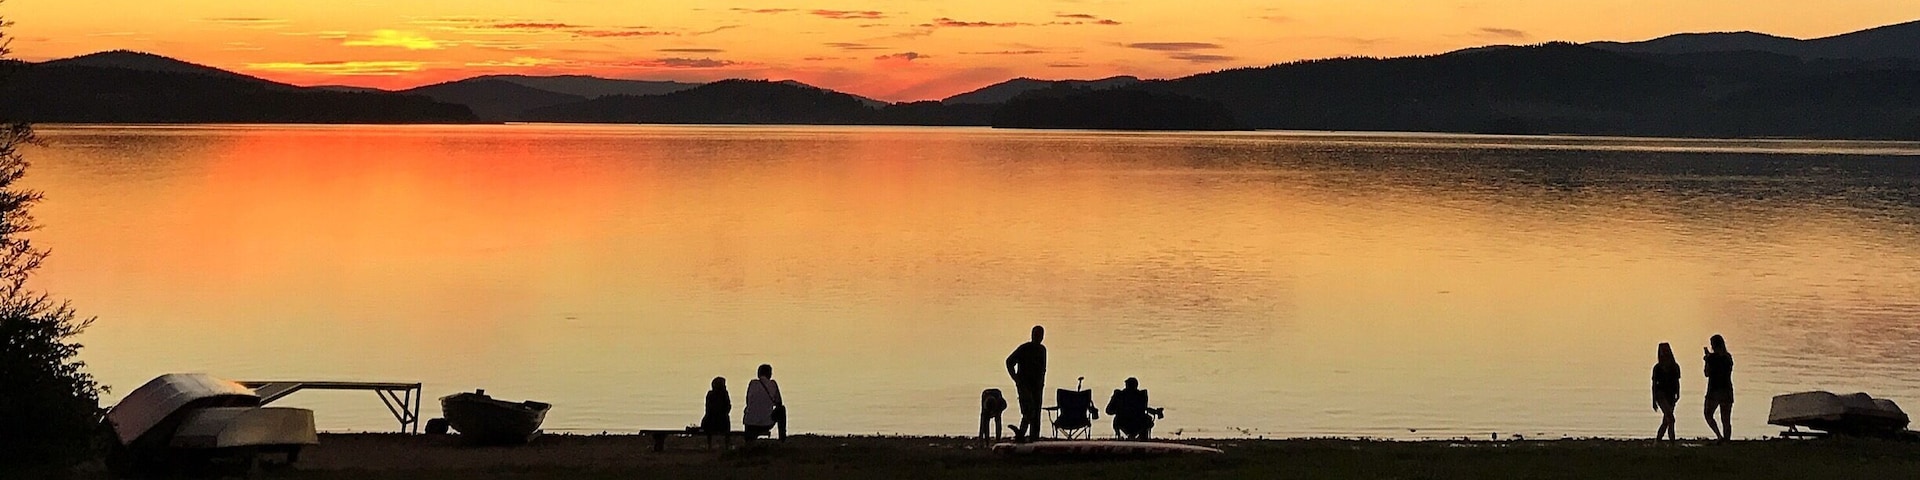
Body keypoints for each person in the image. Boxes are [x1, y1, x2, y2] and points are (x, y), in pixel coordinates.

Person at [1005, 325, 1047, 442]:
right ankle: (1021, 434)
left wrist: (1041, 383)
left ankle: (1034, 439)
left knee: (1036, 414)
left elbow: (1043, 368)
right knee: (1029, 411)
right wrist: (1016, 379)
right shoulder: (1024, 349)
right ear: (1032, 335)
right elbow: (1009, 362)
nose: (1038, 337)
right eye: (1036, 335)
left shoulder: (1042, 350)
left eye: (1040, 335)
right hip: (1024, 386)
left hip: (1037, 387)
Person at [1703, 335, 1734, 442]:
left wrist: (1707, 360)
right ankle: (1726, 440)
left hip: (1714, 390)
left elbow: (1706, 373)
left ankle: (1719, 435)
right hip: (1727, 390)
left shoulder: (1711, 358)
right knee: (1726, 419)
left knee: (1708, 414)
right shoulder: (1728, 357)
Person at [743, 364, 787, 440]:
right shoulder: (773, 384)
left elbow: (748, 401)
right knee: (781, 409)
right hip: (766, 424)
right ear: (769, 374)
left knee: (748, 409)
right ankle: (782, 438)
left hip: (749, 423)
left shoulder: (752, 383)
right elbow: (779, 403)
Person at [1651, 343, 1681, 442]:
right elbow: (1654, 384)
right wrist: (1654, 400)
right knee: (1671, 418)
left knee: (1666, 420)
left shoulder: (1675, 366)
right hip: (1661, 395)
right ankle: (1672, 441)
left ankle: (1658, 440)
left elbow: (1677, 381)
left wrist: (1678, 393)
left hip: (1671, 395)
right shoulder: (1657, 368)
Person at [702, 377, 731, 447]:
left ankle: (709, 444)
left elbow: (708, 409)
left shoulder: (710, 394)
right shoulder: (724, 394)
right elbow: (728, 407)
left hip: (710, 423)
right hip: (722, 424)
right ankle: (727, 444)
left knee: (709, 418)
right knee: (726, 418)